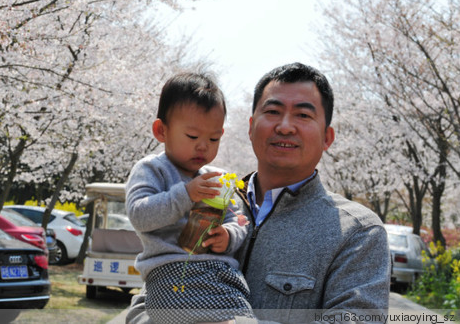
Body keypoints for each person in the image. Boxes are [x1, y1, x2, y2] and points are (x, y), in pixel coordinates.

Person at [126, 62, 391, 323]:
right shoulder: (213, 194)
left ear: (327, 138)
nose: (285, 126)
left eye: (303, 115)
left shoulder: (357, 231)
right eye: (273, 111)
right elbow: (146, 303)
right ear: (251, 127)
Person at [126, 72, 254, 324]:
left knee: (242, 317)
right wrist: (185, 194)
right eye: (193, 137)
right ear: (161, 130)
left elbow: (238, 220)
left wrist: (228, 235)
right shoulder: (153, 169)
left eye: (214, 138)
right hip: (170, 272)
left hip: (221, 275)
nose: (203, 146)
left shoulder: (217, 178)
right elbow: (139, 215)